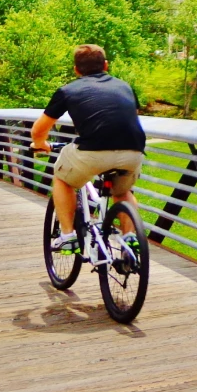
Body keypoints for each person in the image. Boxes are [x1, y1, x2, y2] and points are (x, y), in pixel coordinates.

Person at [30, 44, 145, 252]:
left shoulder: (68, 90)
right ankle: (129, 238)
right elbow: (129, 117)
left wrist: (40, 145)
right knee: (123, 191)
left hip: (93, 151)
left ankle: (67, 236)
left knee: (62, 179)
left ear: (76, 69)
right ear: (106, 65)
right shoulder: (125, 86)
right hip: (133, 150)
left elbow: (39, 129)